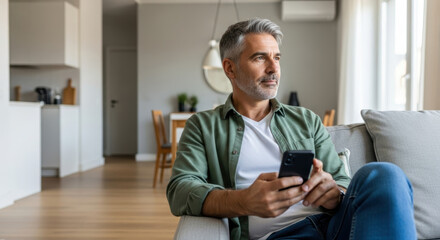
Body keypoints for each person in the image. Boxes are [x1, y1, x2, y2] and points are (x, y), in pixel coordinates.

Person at [167, 18, 416, 240]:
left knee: (385, 174)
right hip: (280, 235)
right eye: (259, 57)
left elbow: (340, 181)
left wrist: (334, 194)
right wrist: (243, 201)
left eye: (276, 57)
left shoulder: (306, 119)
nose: (273, 68)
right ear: (230, 68)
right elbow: (180, 189)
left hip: (333, 226)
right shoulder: (202, 126)